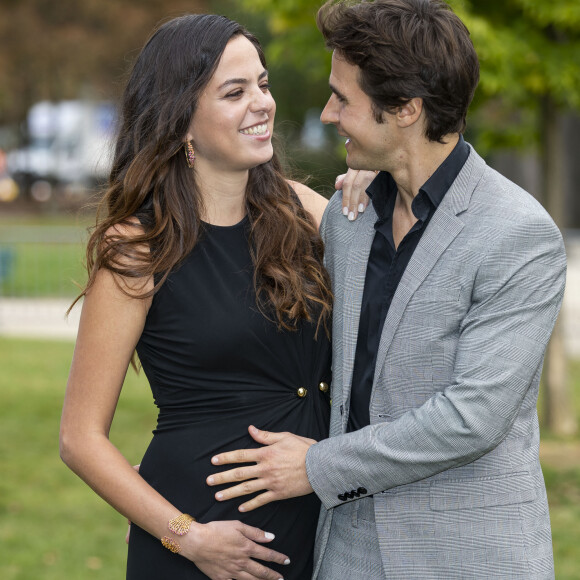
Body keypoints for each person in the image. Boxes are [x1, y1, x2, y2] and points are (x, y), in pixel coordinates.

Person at [206, 1, 568, 578]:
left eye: (342, 99)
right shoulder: (348, 218)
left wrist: (318, 466)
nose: (327, 114)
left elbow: (471, 418)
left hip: (466, 555)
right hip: (343, 553)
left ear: (405, 109)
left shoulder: (517, 235)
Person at [59, 13, 372, 580]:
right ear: (182, 121)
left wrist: (377, 190)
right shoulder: (137, 247)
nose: (262, 104)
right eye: (235, 92)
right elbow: (79, 439)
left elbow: (397, 293)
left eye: (263, 84)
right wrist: (188, 536)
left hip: (321, 529)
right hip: (204, 539)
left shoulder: (304, 210)